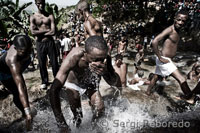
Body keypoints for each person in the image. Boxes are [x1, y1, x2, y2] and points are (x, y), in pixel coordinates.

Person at [49, 36, 121, 132]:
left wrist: (105, 72)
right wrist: (61, 123)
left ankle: (92, 130)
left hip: (90, 85)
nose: (99, 63)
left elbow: (114, 83)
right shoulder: (74, 56)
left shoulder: (105, 57)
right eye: (95, 59)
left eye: (102, 59)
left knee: (100, 109)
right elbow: (53, 90)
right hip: (73, 84)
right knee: (78, 117)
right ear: (85, 54)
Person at [146, 10, 193, 101]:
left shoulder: (178, 30)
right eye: (178, 19)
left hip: (166, 59)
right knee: (182, 78)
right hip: (163, 59)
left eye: (183, 21)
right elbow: (155, 41)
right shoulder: (170, 29)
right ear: (174, 18)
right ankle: (189, 97)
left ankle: (148, 92)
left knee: (157, 76)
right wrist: (160, 57)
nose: (180, 22)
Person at [0, 35, 33, 130]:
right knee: (16, 92)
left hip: (17, 68)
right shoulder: (12, 59)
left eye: (29, 51)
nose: (27, 54)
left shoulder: (25, 48)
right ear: (15, 48)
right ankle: (24, 114)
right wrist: (28, 112)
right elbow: (21, 86)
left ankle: (26, 110)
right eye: (23, 52)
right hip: (5, 73)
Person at [30, 0, 59, 89]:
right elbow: (33, 32)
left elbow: (53, 31)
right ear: (36, 4)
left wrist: (40, 33)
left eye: (42, 3)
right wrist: (47, 30)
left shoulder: (50, 16)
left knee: (54, 62)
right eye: (38, 3)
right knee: (42, 63)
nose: (41, 5)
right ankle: (44, 81)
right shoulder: (33, 17)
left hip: (50, 42)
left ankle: (57, 80)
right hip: (40, 43)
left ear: (44, 3)